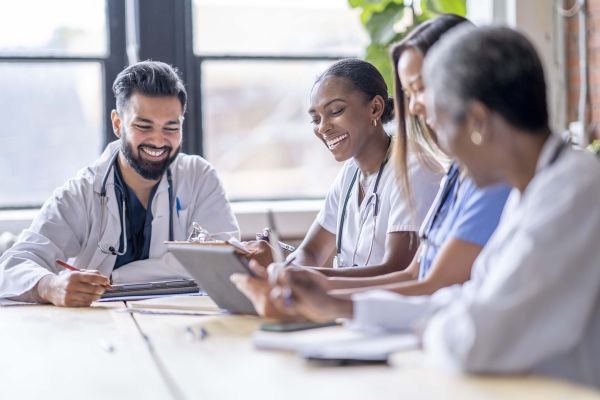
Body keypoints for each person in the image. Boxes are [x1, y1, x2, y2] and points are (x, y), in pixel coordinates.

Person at [270, 26, 600, 388]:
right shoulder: (534, 188)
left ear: (477, 122)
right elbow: (464, 300)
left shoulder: (573, 193)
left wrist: (426, 329)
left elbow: (474, 339)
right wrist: (339, 306)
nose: (445, 154)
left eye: (440, 124)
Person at [234, 15, 510, 317]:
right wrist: (292, 278)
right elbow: (415, 275)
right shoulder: (459, 176)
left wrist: (325, 294)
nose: (415, 107)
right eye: (315, 119)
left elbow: (419, 278)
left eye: (421, 89)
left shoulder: (451, 175)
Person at [0, 61, 239, 307]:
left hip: (179, 323)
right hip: (97, 327)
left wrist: (114, 278)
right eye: (143, 126)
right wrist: (50, 286)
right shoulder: (81, 192)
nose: (158, 140)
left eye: (171, 127)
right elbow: (14, 263)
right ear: (117, 124)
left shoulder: (199, 177)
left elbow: (225, 265)